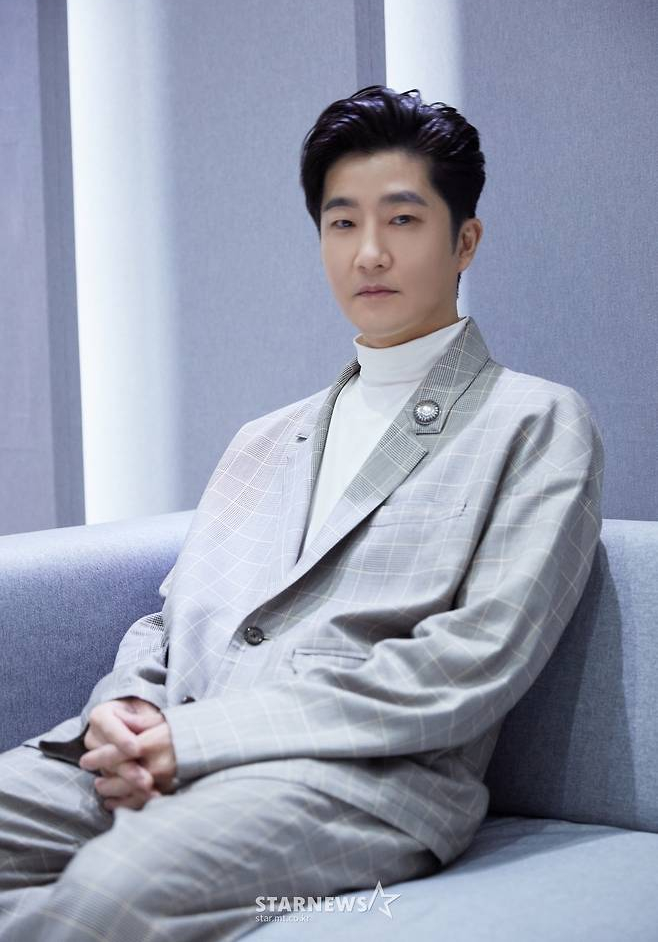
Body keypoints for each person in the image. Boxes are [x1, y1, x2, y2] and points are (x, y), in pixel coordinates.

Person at [0, 85, 604, 941]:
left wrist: (198, 738)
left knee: (112, 893)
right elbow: (168, 623)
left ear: (465, 240)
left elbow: (470, 663)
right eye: (341, 222)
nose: (369, 253)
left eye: (403, 220)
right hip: (163, 748)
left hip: (361, 778)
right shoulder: (262, 437)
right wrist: (123, 709)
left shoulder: (535, 421)